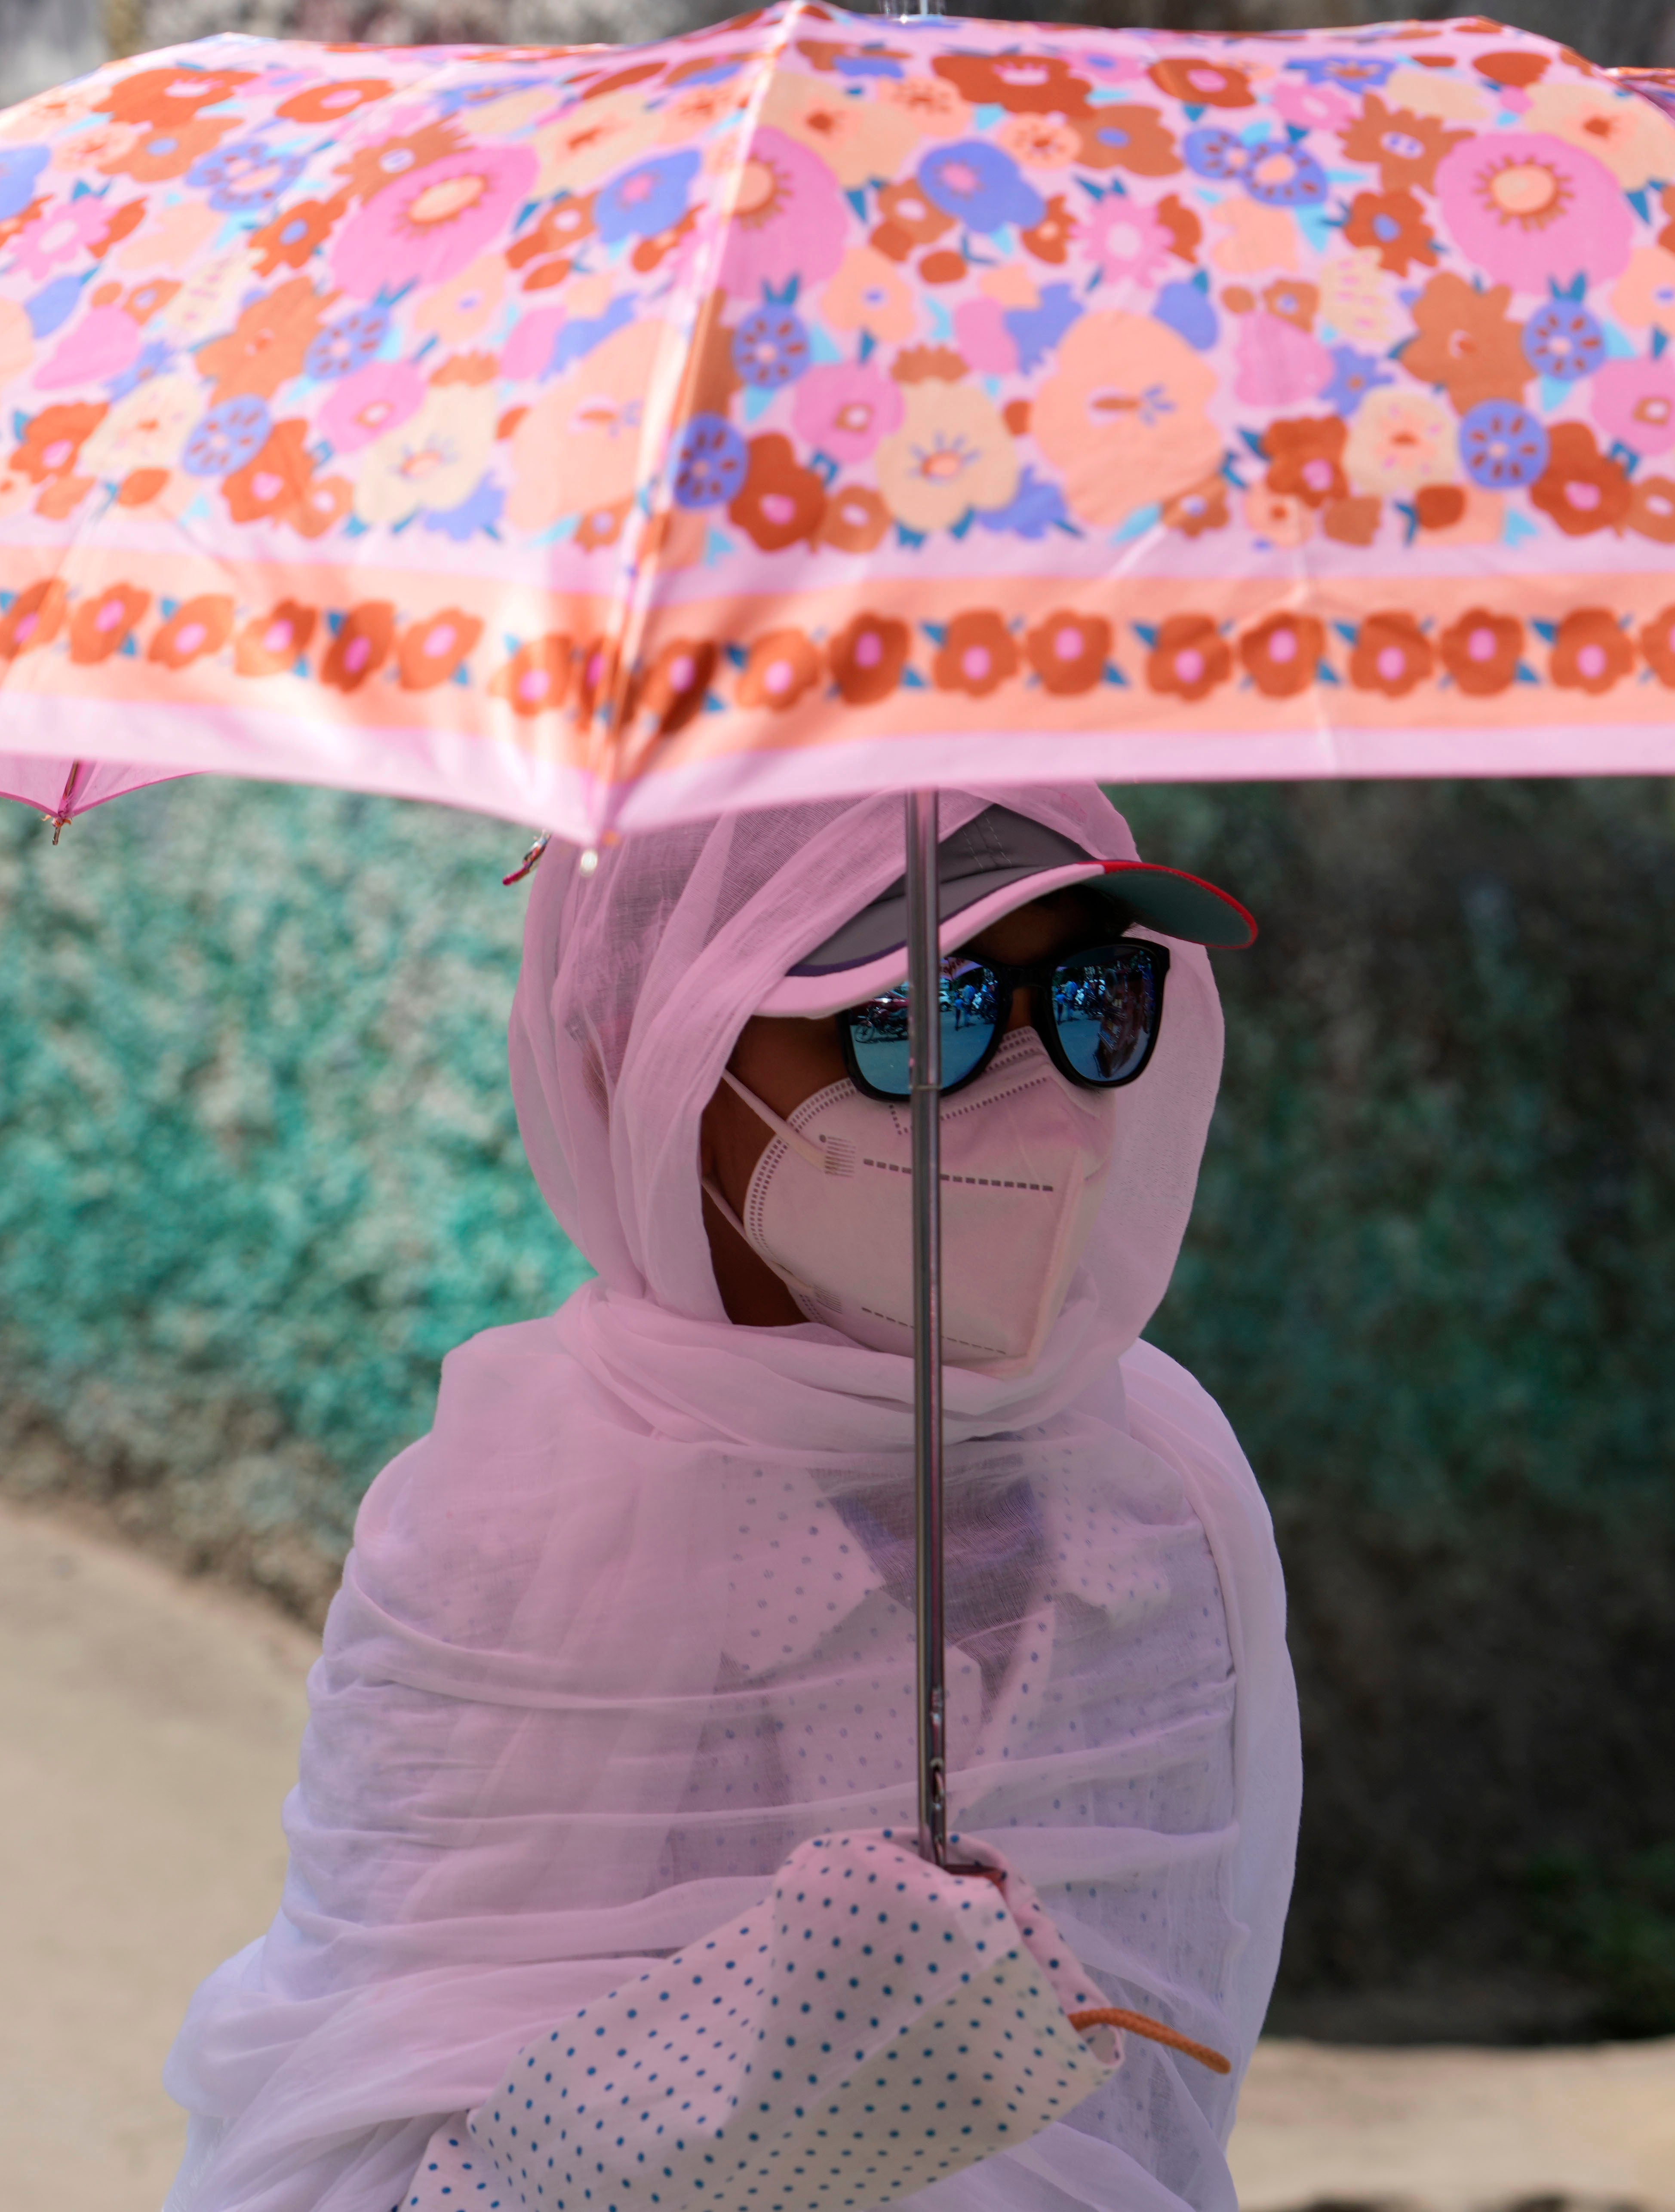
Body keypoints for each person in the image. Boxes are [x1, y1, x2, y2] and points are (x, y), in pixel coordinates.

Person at [157, 786, 1299, 2212]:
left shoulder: (1160, 1480)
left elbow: (1164, 2111)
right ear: (665, 1045)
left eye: (1092, 998)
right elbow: (343, 2161)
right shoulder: (516, 1527)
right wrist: (745, 2104)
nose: (1038, 1093)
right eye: (917, 1016)